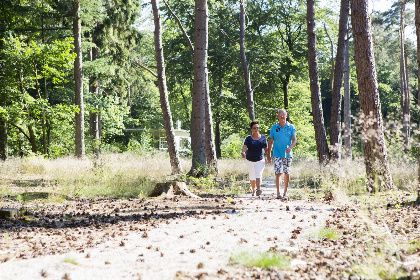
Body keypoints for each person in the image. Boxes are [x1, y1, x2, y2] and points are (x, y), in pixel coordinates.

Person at [267, 109, 297, 199]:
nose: (282, 116)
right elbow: (271, 141)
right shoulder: (274, 128)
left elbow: (294, 140)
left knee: (286, 173)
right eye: (280, 115)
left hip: (288, 154)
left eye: (283, 115)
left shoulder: (291, 127)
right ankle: (278, 193)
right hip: (277, 153)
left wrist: (290, 147)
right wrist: (268, 155)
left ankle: (285, 192)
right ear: (278, 116)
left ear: (286, 116)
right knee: (278, 172)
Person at [241, 121, 268, 196]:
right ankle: (253, 190)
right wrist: (243, 152)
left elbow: (266, 149)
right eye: (254, 128)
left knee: (258, 174)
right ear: (251, 129)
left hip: (260, 159)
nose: (256, 129)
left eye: (257, 128)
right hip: (250, 160)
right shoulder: (248, 139)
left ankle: (258, 189)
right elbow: (245, 147)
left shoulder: (263, 138)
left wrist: (268, 156)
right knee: (252, 176)